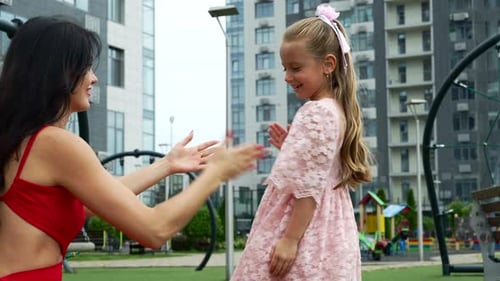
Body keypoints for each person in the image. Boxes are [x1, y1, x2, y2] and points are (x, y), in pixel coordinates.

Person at [0, 16, 265, 281]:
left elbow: (92, 202)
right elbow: (154, 230)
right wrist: (215, 175)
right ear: (60, 72)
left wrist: (167, 164)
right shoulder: (55, 143)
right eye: (86, 67)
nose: (94, 78)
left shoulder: (22, 140)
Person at [232, 4, 372, 280]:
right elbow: (319, 169)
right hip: (332, 231)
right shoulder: (337, 110)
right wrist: (291, 150)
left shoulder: (317, 111)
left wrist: (289, 239)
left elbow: (308, 188)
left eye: (296, 68)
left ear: (328, 64)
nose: (287, 77)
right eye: (285, 68)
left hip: (305, 231)